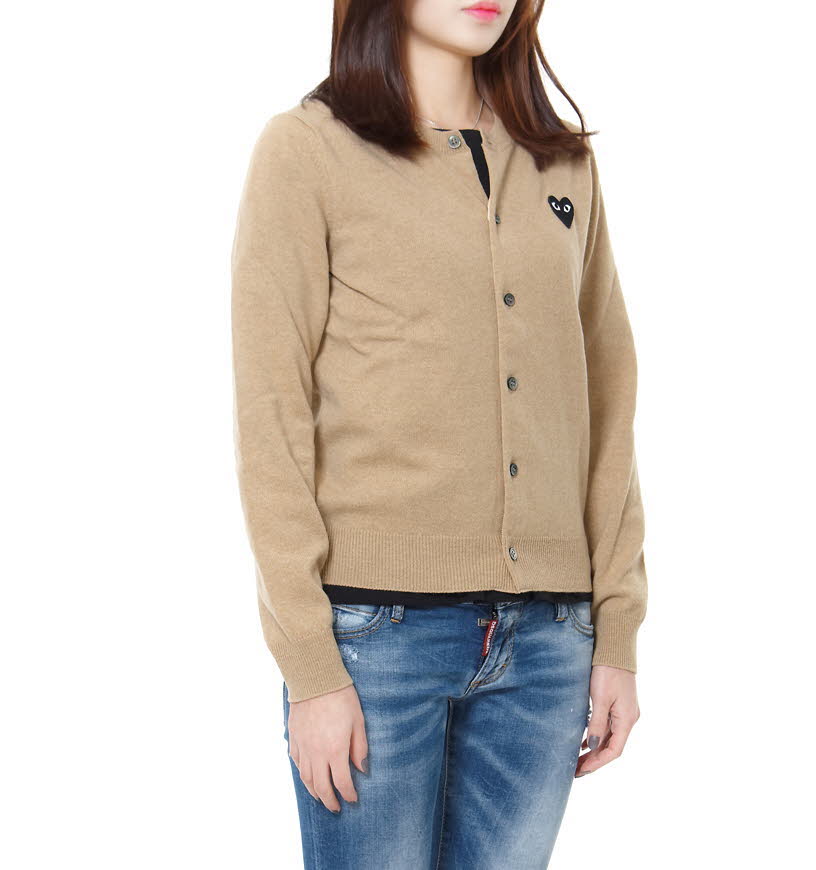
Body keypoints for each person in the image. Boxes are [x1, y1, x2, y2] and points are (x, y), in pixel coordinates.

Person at [231, 1, 647, 866]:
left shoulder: (566, 165)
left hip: (550, 643)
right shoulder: (307, 151)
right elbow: (270, 413)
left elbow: (608, 401)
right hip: (374, 640)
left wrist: (617, 635)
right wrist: (310, 665)